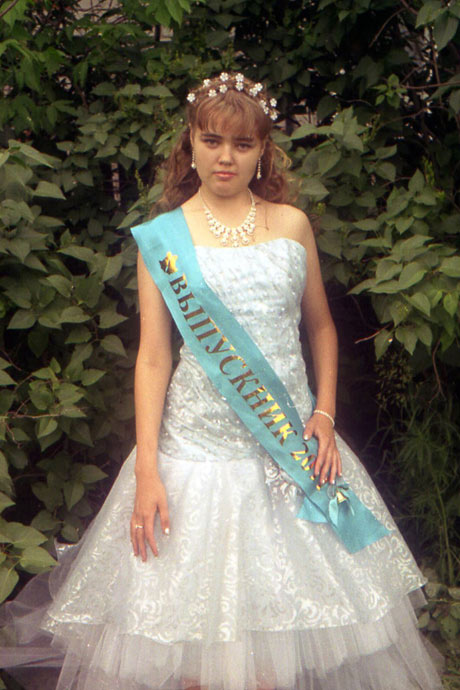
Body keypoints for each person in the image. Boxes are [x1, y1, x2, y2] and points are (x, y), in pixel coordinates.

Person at [0, 73, 442, 690]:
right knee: (193, 664)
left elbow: (321, 328)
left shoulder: (292, 226)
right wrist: (148, 470)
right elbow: (153, 358)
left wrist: (325, 413)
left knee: (274, 662)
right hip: (193, 459)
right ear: (191, 143)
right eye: (212, 141)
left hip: (289, 451)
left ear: (263, 151)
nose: (225, 157)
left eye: (242, 144)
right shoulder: (163, 240)